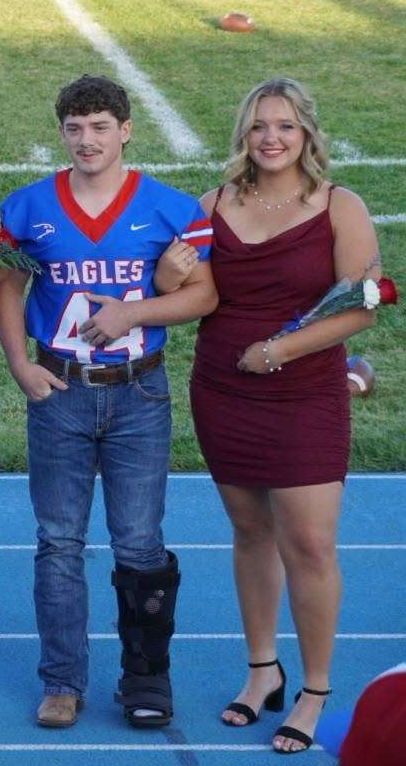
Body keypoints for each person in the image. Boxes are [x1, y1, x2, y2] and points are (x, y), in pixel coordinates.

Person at [160, 79, 380, 754]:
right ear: (244, 135)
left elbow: (361, 305)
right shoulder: (214, 204)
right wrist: (170, 274)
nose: (272, 138)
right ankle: (262, 671)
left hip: (305, 392)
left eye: (285, 126)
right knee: (250, 532)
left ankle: (314, 688)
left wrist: (278, 351)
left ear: (307, 133)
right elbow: (184, 290)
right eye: (259, 127)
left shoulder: (340, 206)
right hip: (223, 390)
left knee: (309, 545)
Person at [0, 74, 217, 730]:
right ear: (61, 132)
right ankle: (61, 681)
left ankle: (145, 677)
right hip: (60, 388)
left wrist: (136, 310)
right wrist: (18, 364)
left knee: (139, 541)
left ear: (125, 130)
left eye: (100, 127)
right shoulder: (30, 206)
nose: (87, 139)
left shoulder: (171, 208)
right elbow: (7, 289)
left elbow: (203, 294)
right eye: (74, 128)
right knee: (58, 540)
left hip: (138, 390)